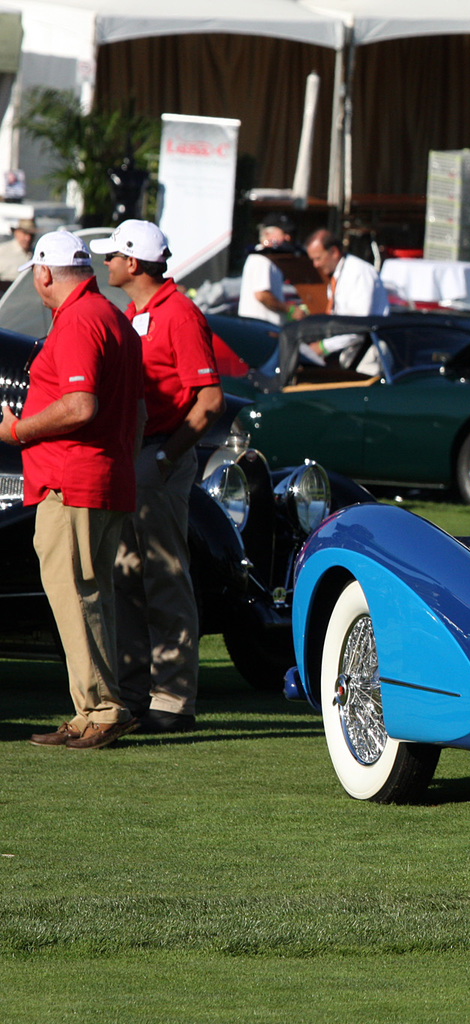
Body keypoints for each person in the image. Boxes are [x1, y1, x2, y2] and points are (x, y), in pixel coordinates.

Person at [0, 230, 143, 749]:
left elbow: (81, 405)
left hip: (73, 480)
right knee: (92, 596)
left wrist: (17, 431)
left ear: (43, 274)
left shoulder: (81, 320)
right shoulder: (108, 317)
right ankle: (93, 709)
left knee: (76, 596)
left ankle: (102, 709)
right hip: (101, 476)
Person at [90, 220, 224, 734]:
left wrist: (166, 459)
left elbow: (208, 400)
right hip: (138, 456)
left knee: (163, 578)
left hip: (159, 456)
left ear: (134, 263)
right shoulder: (139, 312)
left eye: (113, 256)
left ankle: (172, 699)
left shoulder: (179, 315)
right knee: (125, 575)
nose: (106, 264)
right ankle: (135, 691)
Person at [304, 229, 388, 368]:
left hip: (368, 356)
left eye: (318, 258)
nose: (315, 265)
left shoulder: (359, 273)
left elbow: (357, 326)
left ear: (334, 252)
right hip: (349, 354)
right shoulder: (337, 276)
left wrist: (323, 346)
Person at [238, 213, 296, 325]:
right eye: (284, 233)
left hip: (261, 328)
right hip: (260, 329)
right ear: (267, 233)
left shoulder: (268, 257)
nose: (288, 238)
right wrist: (290, 309)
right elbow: (262, 295)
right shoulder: (262, 257)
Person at [0, 217, 37, 285]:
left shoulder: (37, 253)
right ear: (16, 232)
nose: (28, 238)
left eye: (31, 234)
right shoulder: (2, 251)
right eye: (25, 233)